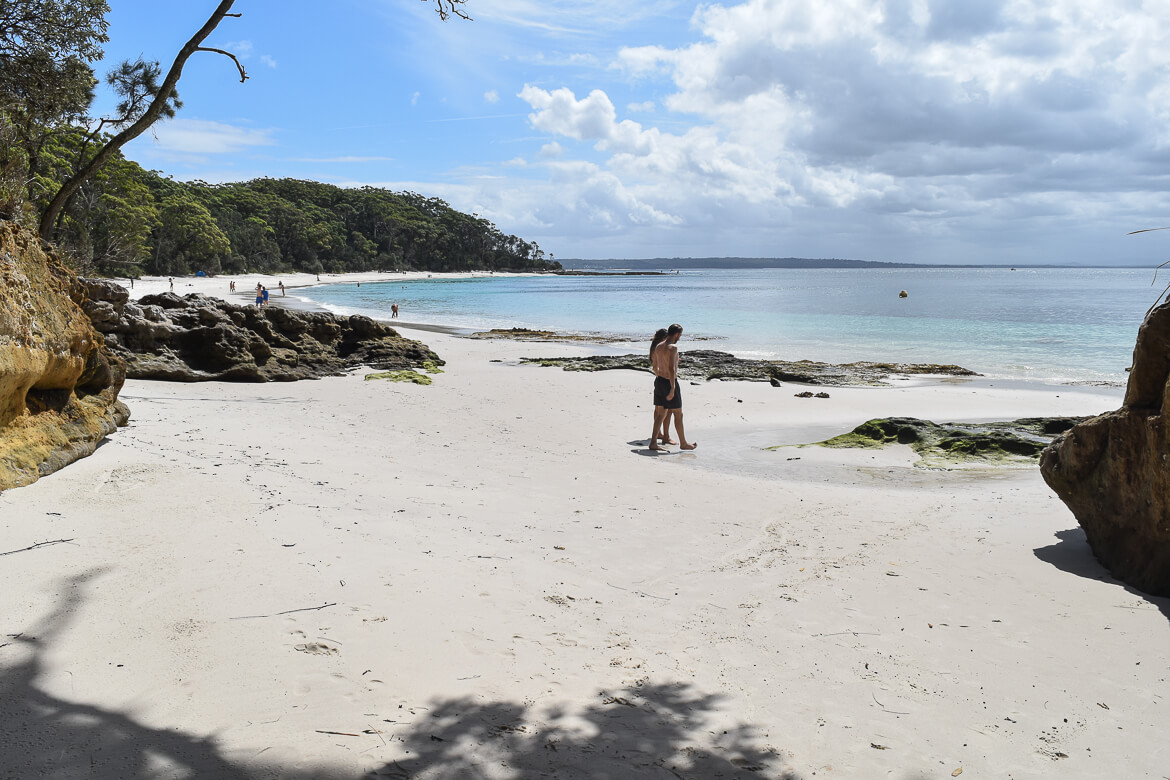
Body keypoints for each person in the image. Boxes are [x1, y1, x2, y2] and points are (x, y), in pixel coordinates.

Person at [650, 323, 696, 451]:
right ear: (676, 334)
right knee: (678, 414)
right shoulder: (673, 347)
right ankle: (683, 443)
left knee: (660, 414)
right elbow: (671, 368)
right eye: (680, 335)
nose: (679, 337)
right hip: (669, 382)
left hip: (659, 380)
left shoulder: (658, 346)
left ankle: (653, 442)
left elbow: (656, 365)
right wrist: (672, 388)